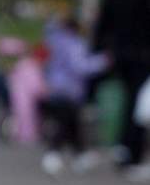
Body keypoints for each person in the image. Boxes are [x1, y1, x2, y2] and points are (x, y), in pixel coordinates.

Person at [91, 0, 150, 181]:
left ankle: (123, 148)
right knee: (138, 104)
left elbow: (102, 25)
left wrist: (99, 49)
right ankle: (130, 152)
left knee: (128, 100)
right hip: (143, 55)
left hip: (119, 55)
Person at [37, 14, 110, 176]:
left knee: (72, 123)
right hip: (70, 89)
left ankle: (80, 155)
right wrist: (102, 61)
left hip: (54, 87)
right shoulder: (75, 44)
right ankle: (53, 154)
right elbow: (80, 66)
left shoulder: (55, 40)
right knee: (66, 123)